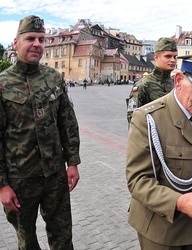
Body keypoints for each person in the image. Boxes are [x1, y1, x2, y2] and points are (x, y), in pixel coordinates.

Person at [126, 53, 192, 250]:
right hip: (161, 228)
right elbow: (138, 180)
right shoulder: (147, 118)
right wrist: (179, 202)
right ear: (179, 80)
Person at [0, 15, 81, 249]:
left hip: (55, 175)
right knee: (27, 241)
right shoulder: (3, 83)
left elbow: (67, 122)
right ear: (16, 43)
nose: (37, 44)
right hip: (20, 180)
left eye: (41, 39)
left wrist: (72, 162)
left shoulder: (54, 78)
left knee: (63, 237)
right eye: (31, 38)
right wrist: (2, 184)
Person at [126, 37, 177, 124]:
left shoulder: (176, 84)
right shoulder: (143, 85)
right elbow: (133, 120)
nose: (173, 60)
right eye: (168, 56)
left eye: (175, 57)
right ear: (156, 57)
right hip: (152, 135)